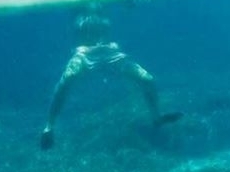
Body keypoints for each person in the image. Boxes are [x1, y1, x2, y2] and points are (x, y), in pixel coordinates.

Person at [40, 11, 182, 149]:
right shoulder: (77, 4)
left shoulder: (104, 3)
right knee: (67, 79)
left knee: (147, 79)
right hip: (84, 53)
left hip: (110, 52)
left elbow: (128, 9)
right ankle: (49, 126)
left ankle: (156, 117)